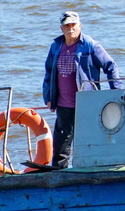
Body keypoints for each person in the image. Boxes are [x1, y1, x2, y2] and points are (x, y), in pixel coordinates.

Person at [42, 11, 119, 168]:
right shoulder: (56, 46)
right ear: (61, 28)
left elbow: (111, 66)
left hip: (87, 103)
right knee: (61, 145)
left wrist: (115, 92)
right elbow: (49, 72)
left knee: (89, 142)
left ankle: (91, 171)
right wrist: (48, 97)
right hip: (63, 104)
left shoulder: (91, 46)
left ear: (80, 26)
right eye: (67, 26)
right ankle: (58, 175)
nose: (71, 29)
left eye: (73, 25)